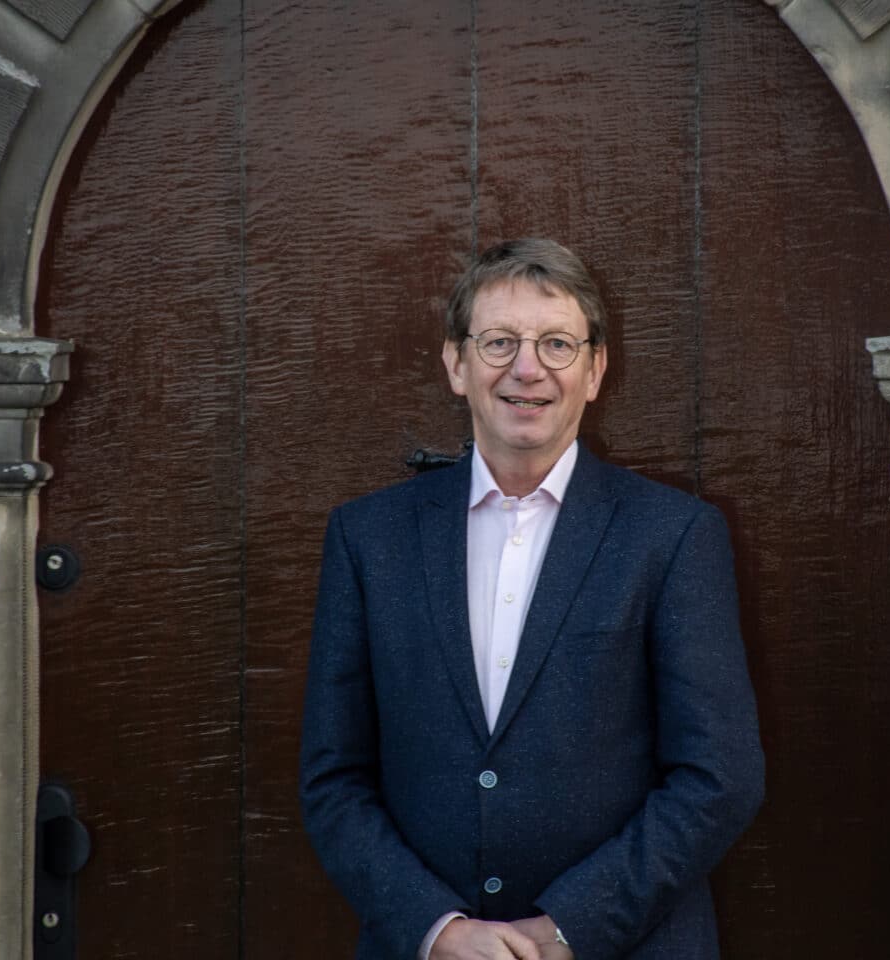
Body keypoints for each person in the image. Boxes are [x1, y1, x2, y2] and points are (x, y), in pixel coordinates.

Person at [300, 238, 765, 960]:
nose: (528, 368)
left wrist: (565, 929)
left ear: (595, 369)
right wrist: (437, 930)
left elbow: (720, 777)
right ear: (456, 363)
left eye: (556, 343)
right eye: (499, 342)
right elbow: (334, 778)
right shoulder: (369, 538)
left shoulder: (673, 536)